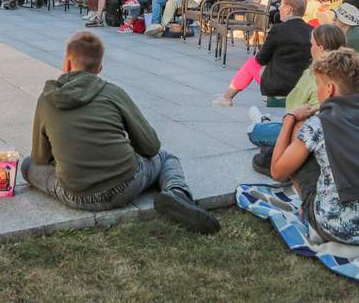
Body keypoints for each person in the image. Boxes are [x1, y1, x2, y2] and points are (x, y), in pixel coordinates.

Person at [23, 32, 220, 233]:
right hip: (125, 187)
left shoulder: (46, 99)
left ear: (66, 63)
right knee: (166, 158)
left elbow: (40, 157)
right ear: (99, 68)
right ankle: (177, 193)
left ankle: (172, 195)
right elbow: (151, 147)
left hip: (75, 195)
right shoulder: (113, 93)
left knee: (28, 165)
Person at [268, 48, 359, 245]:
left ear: (329, 89)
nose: (317, 91)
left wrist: (290, 118)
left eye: (318, 85)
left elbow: (277, 172)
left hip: (333, 228)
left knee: (298, 131)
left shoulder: (320, 124)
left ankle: (310, 217)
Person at [213, 0, 312, 107]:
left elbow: (261, 59)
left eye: (281, 4)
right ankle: (226, 97)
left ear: (288, 9)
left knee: (252, 62)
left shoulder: (278, 29)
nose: (279, 8)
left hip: (279, 86)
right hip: (302, 85)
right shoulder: (312, 30)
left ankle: (227, 98)